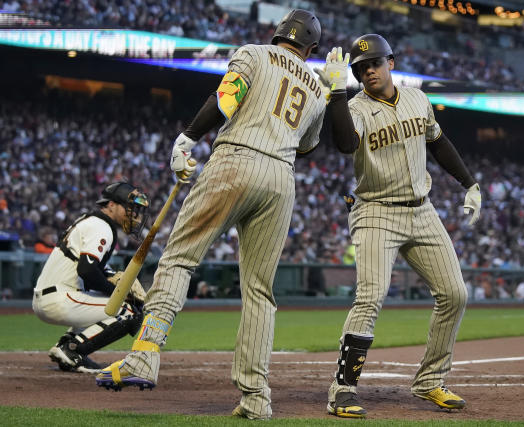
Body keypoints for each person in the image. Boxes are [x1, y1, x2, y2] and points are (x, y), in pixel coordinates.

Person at [95, 9, 326, 420]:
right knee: (259, 291)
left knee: (180, 259)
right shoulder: (319, 86)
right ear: (311, 48)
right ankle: (256, 397)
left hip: (236, 159)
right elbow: (307, 146)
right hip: (281, 178)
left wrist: (187, 138)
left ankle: (145, 355)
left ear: (277, 34)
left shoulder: (254, 53)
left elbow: (226, 98)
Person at [315, 34, 482, 418]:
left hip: (422, 210)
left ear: (391, 61)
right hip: (376, 211)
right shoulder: (354, 106)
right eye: (360, 68)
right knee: (370, 296)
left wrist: (469, 183)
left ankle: (429, 381)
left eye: (373, 63)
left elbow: (438, 143)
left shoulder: (417, 98)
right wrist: (337, 93)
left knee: (455, 294)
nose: (368, 71)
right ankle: (341, 390)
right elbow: (344, 144)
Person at [32, 182, 149, 373]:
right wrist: (118, 293)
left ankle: (66, 345)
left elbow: (92, 270)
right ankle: (73, 349)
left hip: (53, 296)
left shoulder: (92, 222)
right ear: (111, 205)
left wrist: (112, 281)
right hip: (61, 298)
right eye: (129, 208)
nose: (134, 214)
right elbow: (87, 271)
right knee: (130, 312)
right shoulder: (101, 226)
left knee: (117, 305)